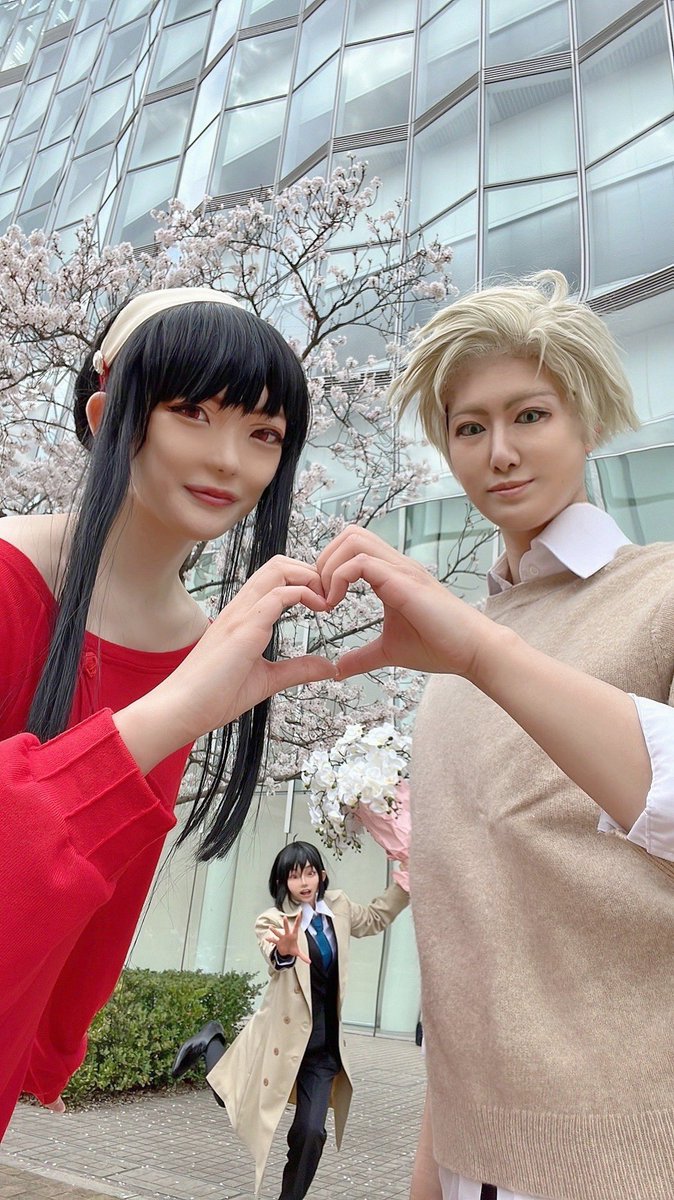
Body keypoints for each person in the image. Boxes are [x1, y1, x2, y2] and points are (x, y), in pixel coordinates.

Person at [315, 271, 674, 1200]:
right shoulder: (451, 674)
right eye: (469, 428)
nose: (500, 452)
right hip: (473, 1161)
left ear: (587, 421)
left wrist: (480, 651)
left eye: (531, 415)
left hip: (635, 1157)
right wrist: (430, 1170)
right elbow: (468, 936)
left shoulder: (660, 593)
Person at [0, 287, 338, 1139]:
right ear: (108, 415)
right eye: (193, 412)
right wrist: (175, 709)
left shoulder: (202, 648)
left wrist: (49, 1043)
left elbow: (108, 893)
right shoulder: (9, 582)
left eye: (264, 433)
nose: (229, 460)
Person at [172, 840, 409, 1198]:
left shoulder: (340, 907)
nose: (303, 882)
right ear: (283, 882)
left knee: (311, 1133)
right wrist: (284, 950)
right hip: (280, 1042)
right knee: (227, 1096)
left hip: (323, 1049)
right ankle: (212, 1042)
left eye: (309, 873)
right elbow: (274, 954)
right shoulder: (274, 921)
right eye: (294, 876)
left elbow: (375, 918)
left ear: (321, 876)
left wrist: (405, 883)